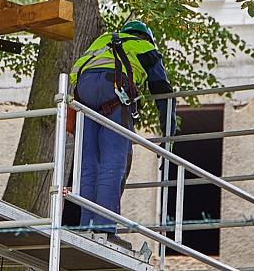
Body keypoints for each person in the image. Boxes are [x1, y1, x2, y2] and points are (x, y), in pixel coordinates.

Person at [69, 20, 176, 249]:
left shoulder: (102, 41)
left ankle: (84, 227)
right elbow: (163, 93)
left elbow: (76, 72)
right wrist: (168, 137)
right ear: (145, 38)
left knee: (88, 164)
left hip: (84, 93)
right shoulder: (144, 48)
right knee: (112, 162)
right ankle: (104, 230)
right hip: (115, 90)